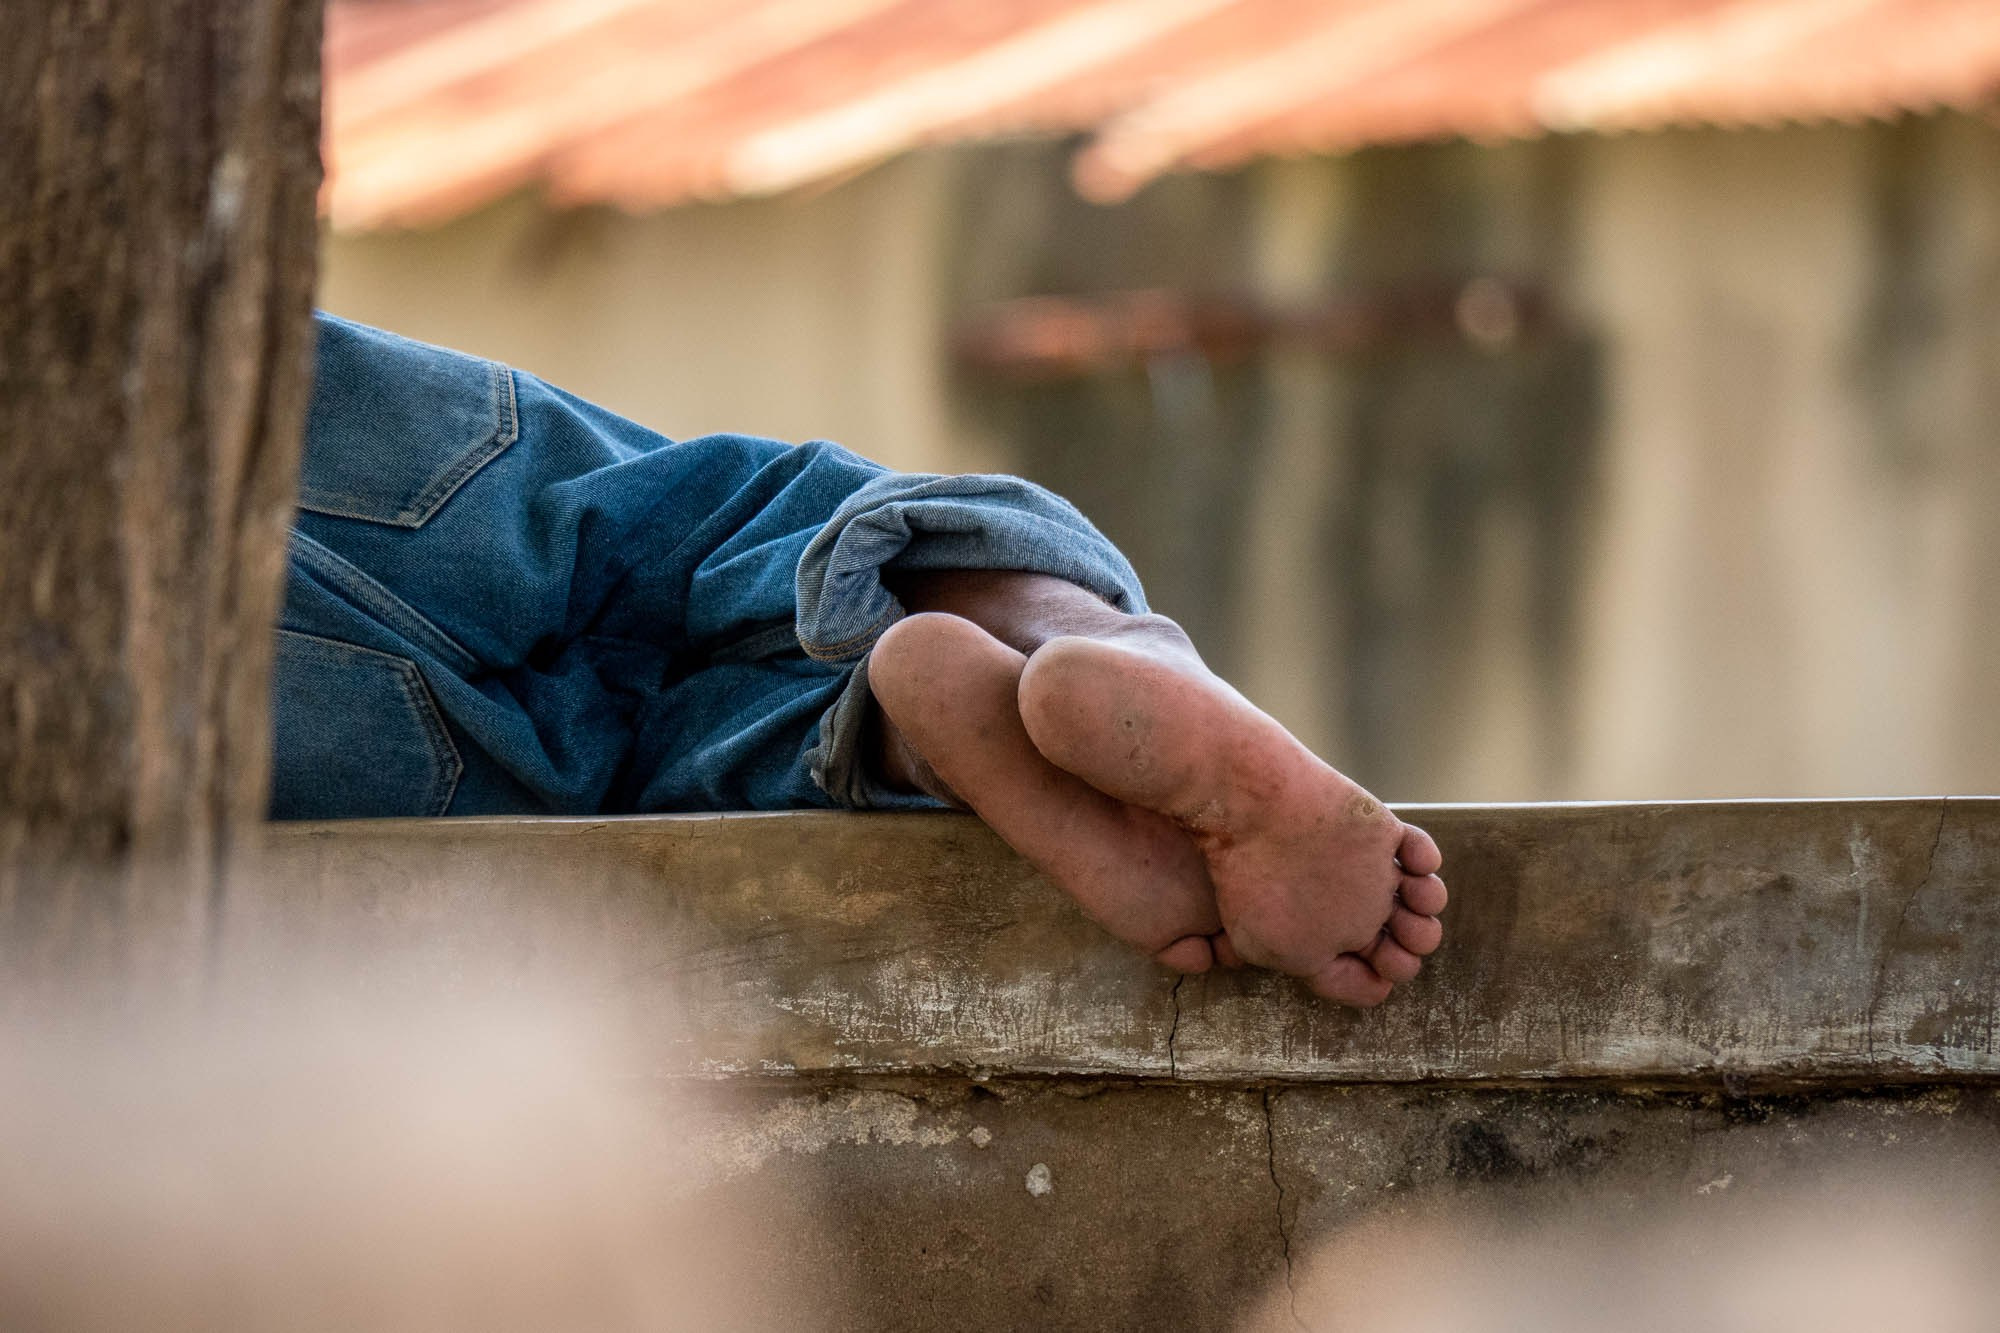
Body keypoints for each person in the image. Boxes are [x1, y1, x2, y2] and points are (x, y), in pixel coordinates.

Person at [274, 313, 1447, 1007]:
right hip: (241, 408)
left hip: (243, 694)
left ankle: (904, 739)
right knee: (699, 526)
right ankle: (1060, 623)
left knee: (618, 780)